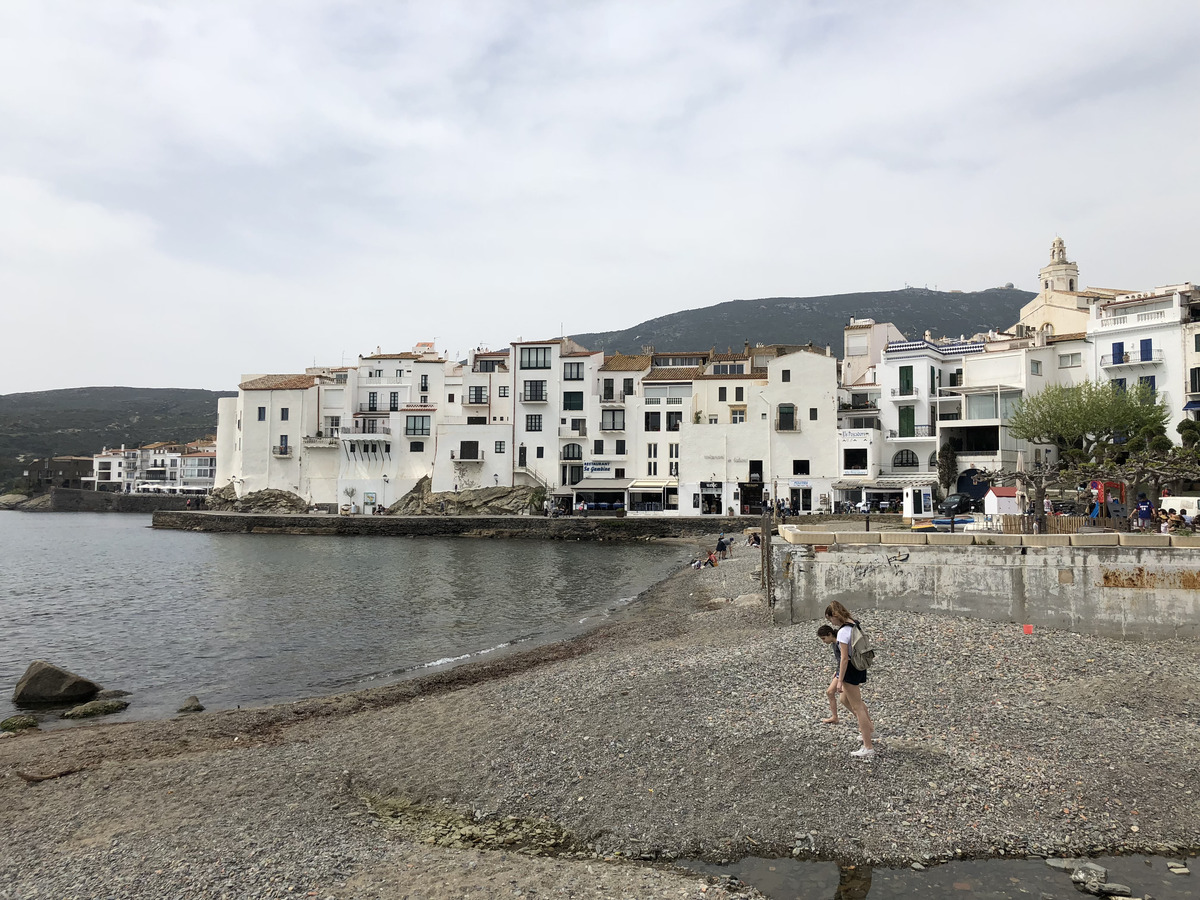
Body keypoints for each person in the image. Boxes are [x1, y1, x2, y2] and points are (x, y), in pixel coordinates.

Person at [825, 600, 875, 759]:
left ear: (834, 616)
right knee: (844, 699)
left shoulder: (841, 632)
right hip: (859, 666)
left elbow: (844, 658)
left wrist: (839, 679)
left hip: (850, 670)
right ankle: (868, 728)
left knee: (857, 706)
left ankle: (868, 747)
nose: (831, 623)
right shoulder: (854, 623)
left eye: (830, 619)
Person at [817, 624, 846, 725]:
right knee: (830, 692)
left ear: (830, 634)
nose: (823, 641)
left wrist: (840, 677)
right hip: (840, 671)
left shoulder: (839, 643)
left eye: (824, 638)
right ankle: (835, 717)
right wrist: (837, 671)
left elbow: (845, 659)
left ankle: (864, 723)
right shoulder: (834, 643)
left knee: (847, 700)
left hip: (845, 672)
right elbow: (840, 660)